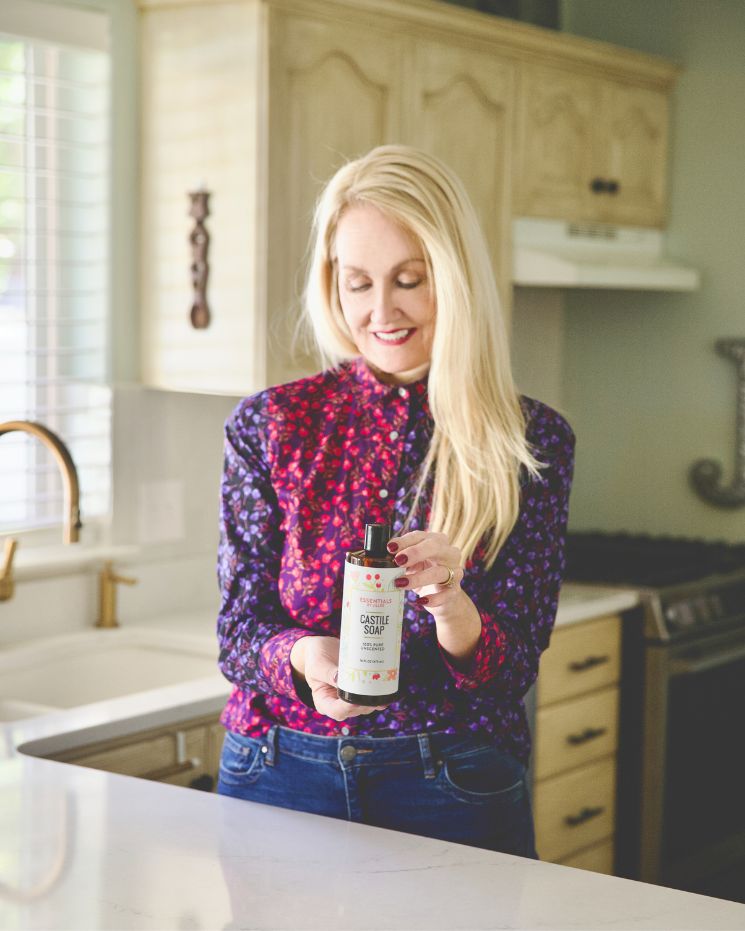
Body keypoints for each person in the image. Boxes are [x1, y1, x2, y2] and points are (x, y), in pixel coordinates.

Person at [215, 144, 575, 858]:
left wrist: (452, 605)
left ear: (455, 277)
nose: (381, 310)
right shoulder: (271, 425)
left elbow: (510, 676)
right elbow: (236, 631)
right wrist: (300, 656)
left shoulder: (530, 441)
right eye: (357, 283)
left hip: (452, 783)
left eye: (409, 280)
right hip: (279, 772)